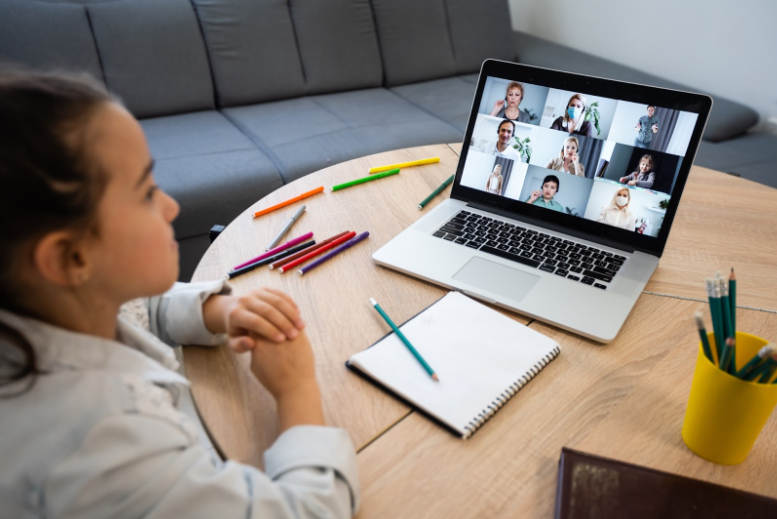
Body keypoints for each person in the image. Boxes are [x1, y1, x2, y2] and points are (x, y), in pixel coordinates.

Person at [0, 70, 359, 518]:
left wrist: (219, 309)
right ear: (69, 259)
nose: (172, 206)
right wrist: (296, 391)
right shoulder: (106, 445)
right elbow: (308, 511)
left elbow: (135, 307)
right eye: (147, 192)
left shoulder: (41, 305)